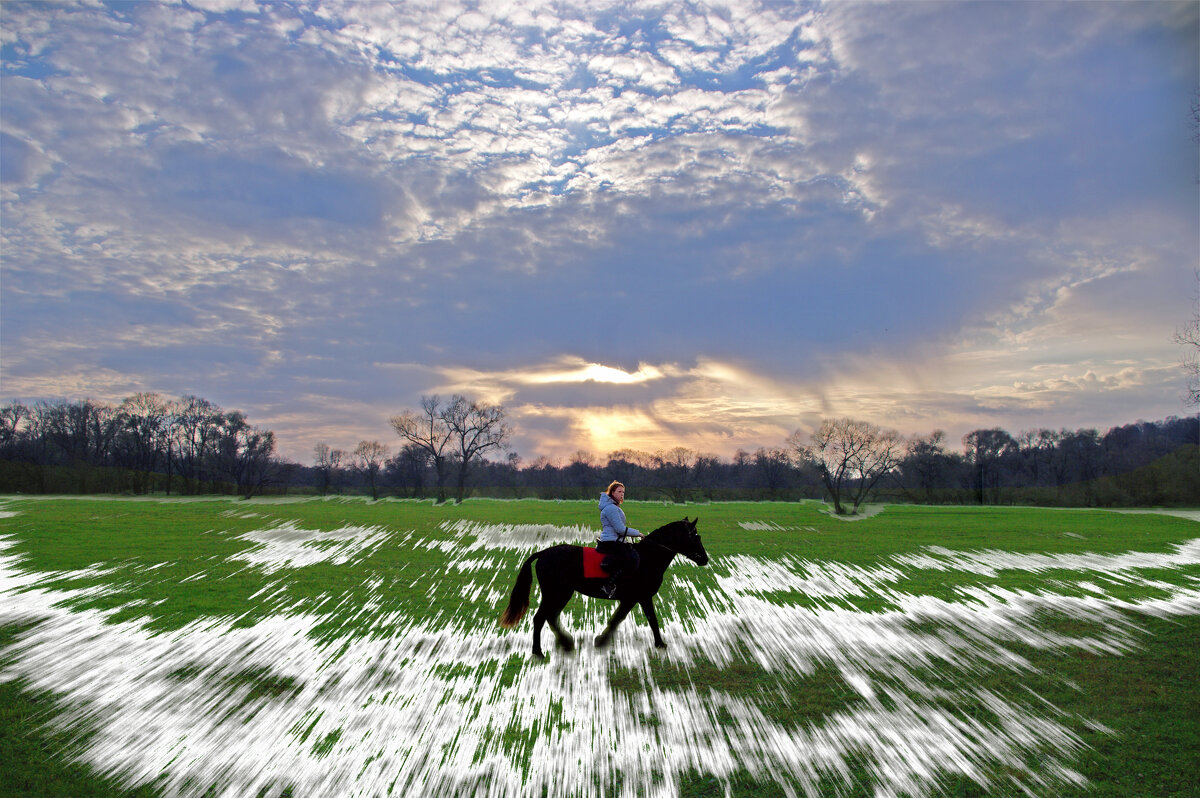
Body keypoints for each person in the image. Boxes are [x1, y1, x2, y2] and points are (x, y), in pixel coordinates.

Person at [597, 480, 642, 598]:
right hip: (611, 542)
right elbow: (620, 529)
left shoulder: (613, 507)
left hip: (615, 540)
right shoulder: (611, 508)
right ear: (612, 492)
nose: (622, 494)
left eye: (623, 492)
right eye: (619, 491)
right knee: (632, 558)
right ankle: (608, 584)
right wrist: (638, 534)